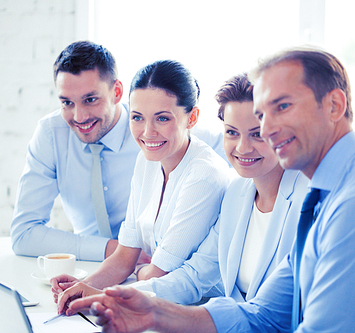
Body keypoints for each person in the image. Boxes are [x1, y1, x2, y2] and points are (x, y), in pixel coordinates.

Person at [70, 47, 355, 333]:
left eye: (282, 107)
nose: (268, 130)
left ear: (334, 106)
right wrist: (154, 311)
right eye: (263, 114)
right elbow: (264, 314)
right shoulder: (326, 196)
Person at [10, 41, 225, 262]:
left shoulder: (161, 130)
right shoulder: (51, 134)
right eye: (67, 103)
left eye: (90, 100)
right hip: (92, 264)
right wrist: (116, 252)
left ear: (117, 92)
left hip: (161, 269)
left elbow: (239, 154)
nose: (79, 116)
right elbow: (24, 234)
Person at [118, 73, 309, 305]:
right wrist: (115, 297)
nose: (243, 147)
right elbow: (196, 275)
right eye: (232, 132)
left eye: (257, 134)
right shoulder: (237, 194)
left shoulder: (309, 201)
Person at [52, 60, 230, 303]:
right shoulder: (147, 161)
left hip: (193, 311)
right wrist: (84, 286)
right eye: (137, 118)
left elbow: (158, 273)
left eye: (162, 119)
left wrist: (106, 291)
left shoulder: (204, 175)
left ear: (192, 118)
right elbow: (125, 256)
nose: (147, 132)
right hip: (147, 299)